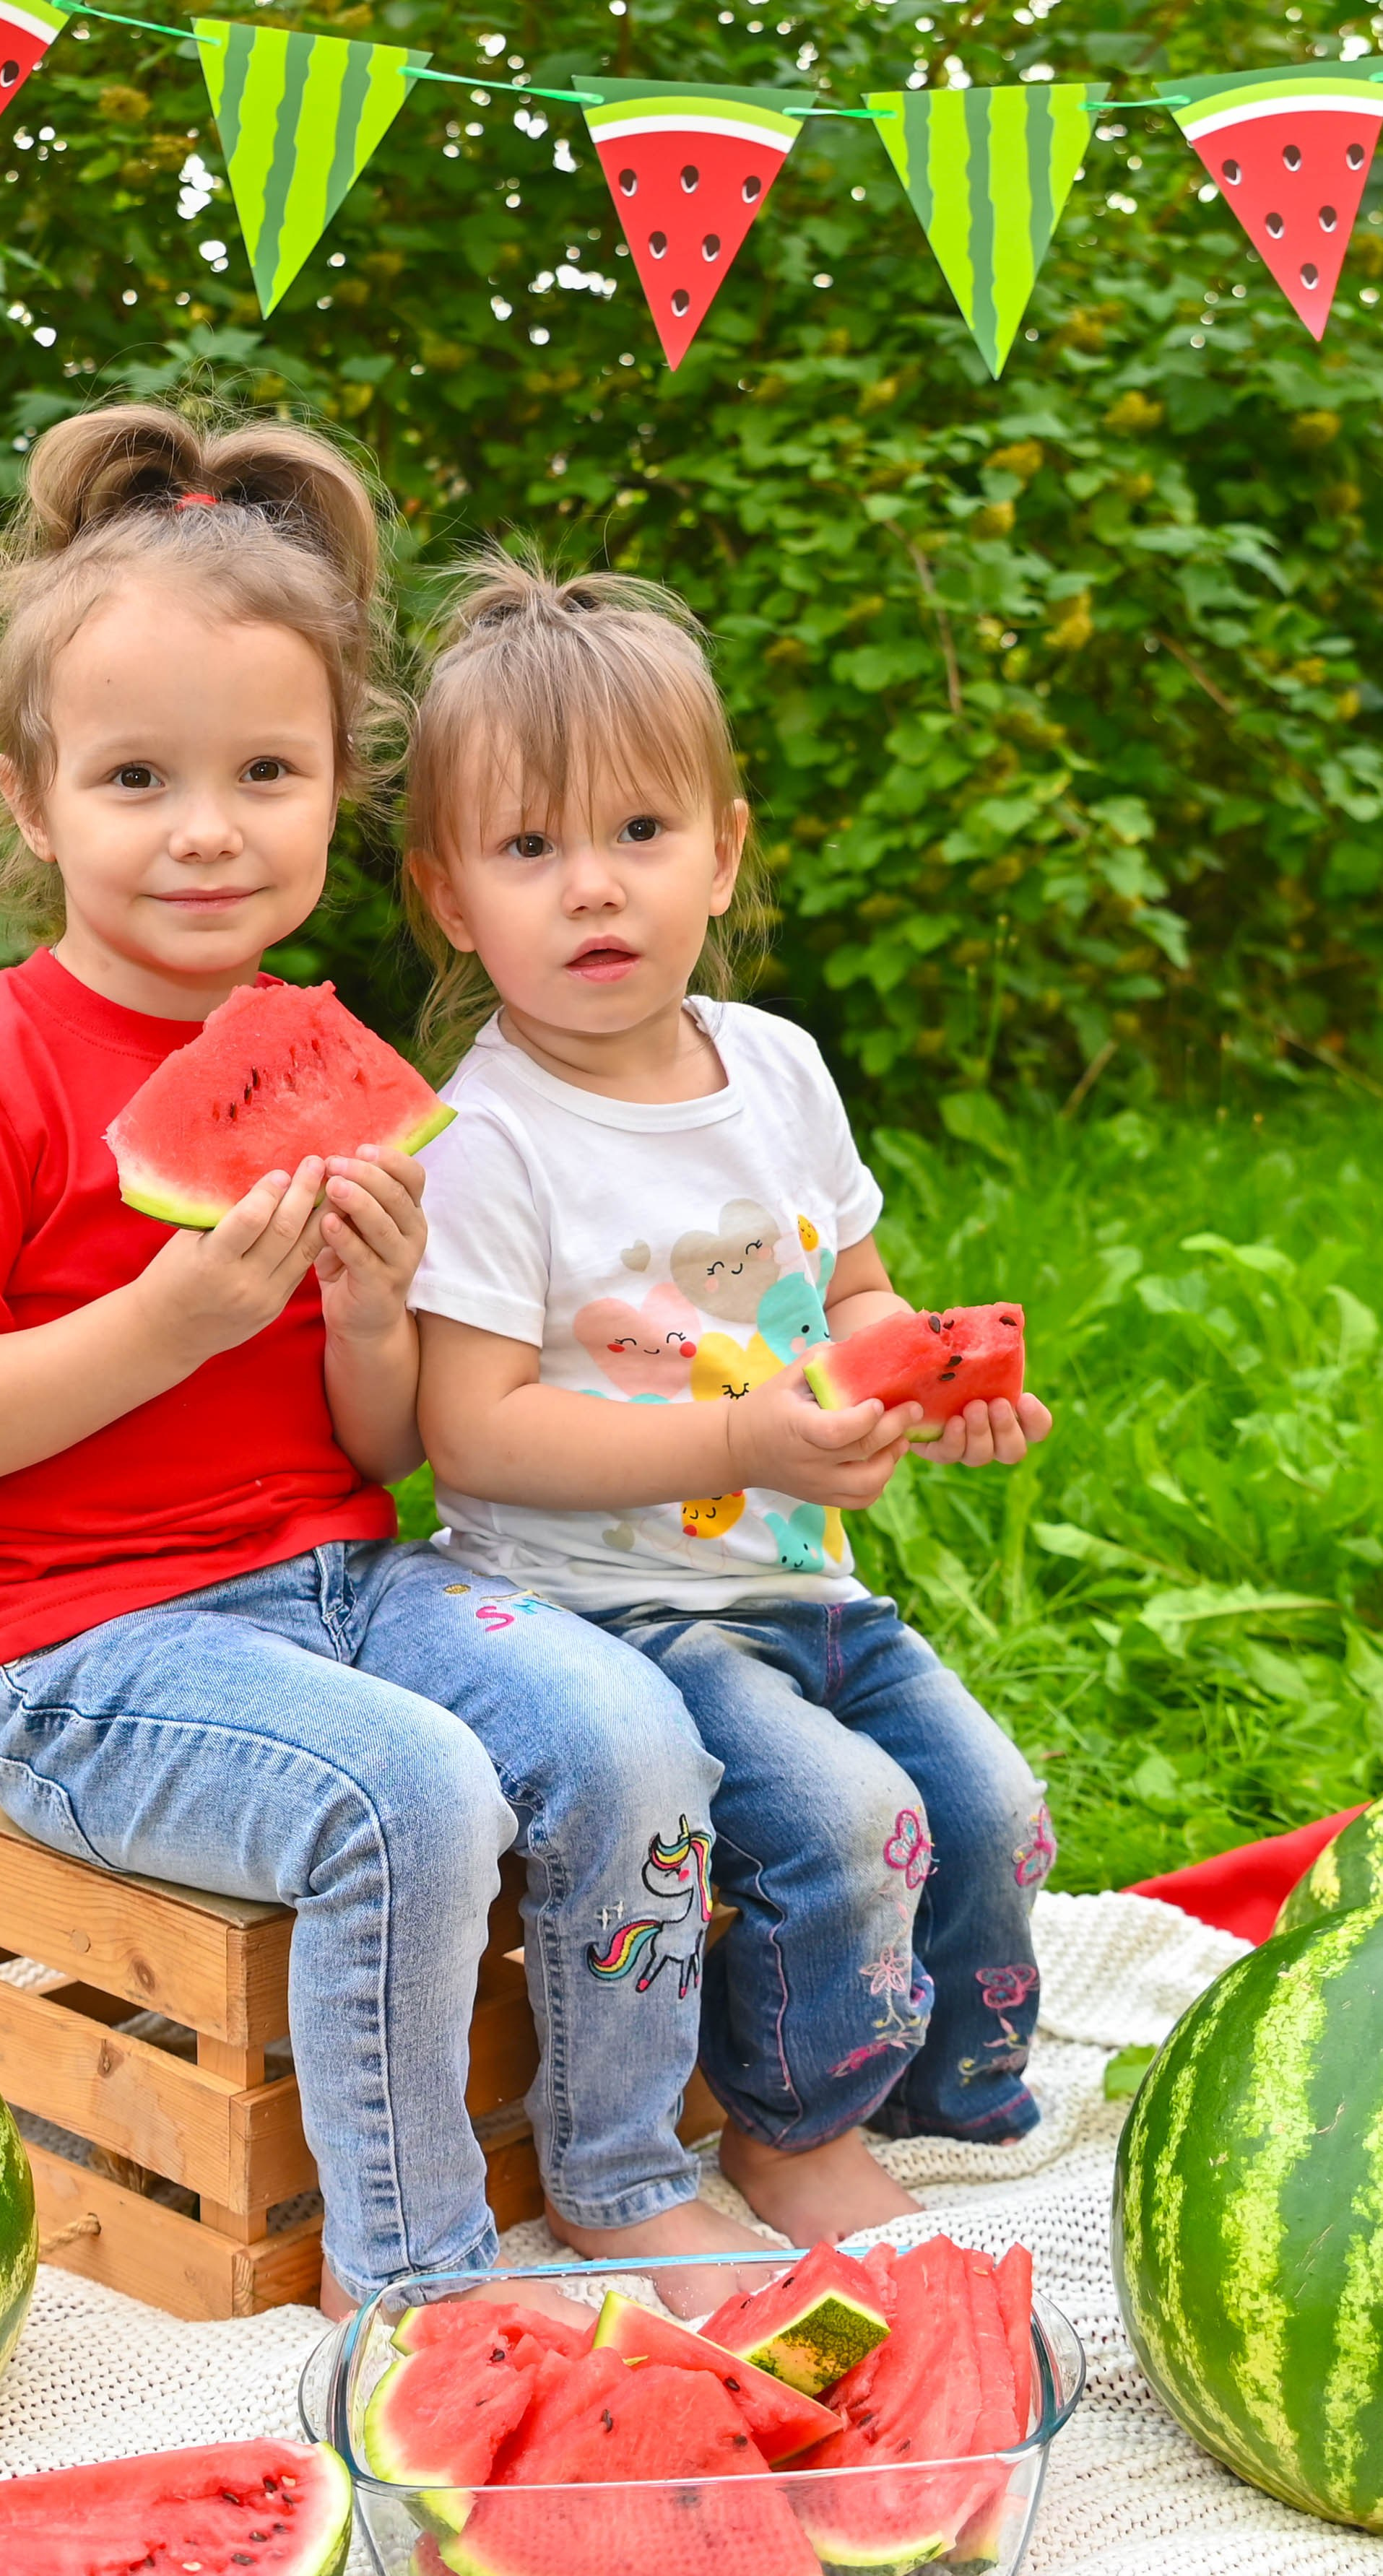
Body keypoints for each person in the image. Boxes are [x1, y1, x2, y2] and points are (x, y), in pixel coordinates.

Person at [0, 404, 777, 2320]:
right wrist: (171, 1312)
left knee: (629, 1738)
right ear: (32, 801)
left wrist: (361, 1314)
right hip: (84, 1655)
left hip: (346, 1575)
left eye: (262, 771)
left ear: (334, 783)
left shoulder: (334, 1071)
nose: (204, 829)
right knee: (409, 1802)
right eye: (134, 780)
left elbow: (374, 1447)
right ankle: (410, 2279)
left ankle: (609, 2169)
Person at [404, 559, 1058, 2248]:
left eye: (637, 831)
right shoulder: (481, 1138)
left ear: (724, 849)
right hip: (610, 1612)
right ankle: (786, 2127)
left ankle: (941, 2092)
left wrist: (932, 1378)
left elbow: (847, 1292)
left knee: (983, 1804)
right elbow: (467, 1428)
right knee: (843, 1822)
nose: (592, 887)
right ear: (448, 897)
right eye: (528, 847)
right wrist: (733, 1440)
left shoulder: (771, 1064)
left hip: (800, 1576)